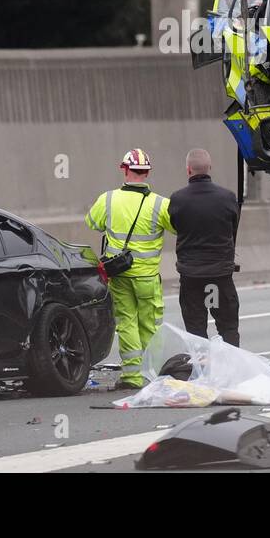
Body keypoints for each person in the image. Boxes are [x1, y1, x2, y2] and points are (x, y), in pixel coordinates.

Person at [85, 149, 176, 390]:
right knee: (150, 326)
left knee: (126, 323)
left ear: (124, 169)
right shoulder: (161, 203)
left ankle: (132, 377)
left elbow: (92, 222)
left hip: (119, 274)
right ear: (147, 172)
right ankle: (153, 376)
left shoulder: (108, 199)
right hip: (147, 277)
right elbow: (178, 228)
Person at [169, 148, 241, 346]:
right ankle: (232, 369)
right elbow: (233, 226)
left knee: (196, 328)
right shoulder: (227, 197)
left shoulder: (177, 199)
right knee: (227, 326)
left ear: (188, 170)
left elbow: (176, 226)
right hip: (219, 275)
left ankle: (203, 372)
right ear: (210, 167)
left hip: (191, 277)